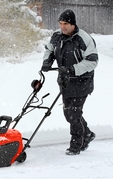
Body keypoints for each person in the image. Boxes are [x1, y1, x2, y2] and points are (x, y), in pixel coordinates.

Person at [41, 9, 98, 155]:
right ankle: (88, 134)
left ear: (73, 24)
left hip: (82, 82)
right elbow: (49, 49)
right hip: (65, 82)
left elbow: (92, 61)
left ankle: (76, 145)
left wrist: (72, 69)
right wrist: (47, 61)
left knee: (73, 114)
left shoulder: (84, 39)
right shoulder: (57, 36)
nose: (62, 27)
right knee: (70, 114)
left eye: (65, 24)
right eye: (60, 23)